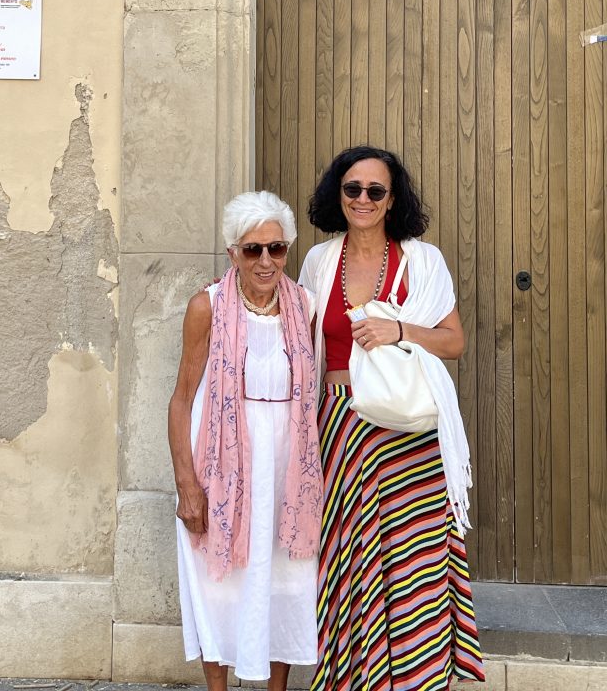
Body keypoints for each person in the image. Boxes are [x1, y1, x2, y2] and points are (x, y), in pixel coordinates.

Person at [299, 147, 485, 691]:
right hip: (339, 426)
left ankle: (417, 679)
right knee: (350, 555)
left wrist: (400, 331)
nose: (363, 199)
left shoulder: (423, 261)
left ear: (392, 199)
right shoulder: (318, 262)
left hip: (408, 435)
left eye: (375, 191)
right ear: (339, 194)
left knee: (413, 560)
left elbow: (454, 341)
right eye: (352, 189)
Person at [168, 191, 322, 691]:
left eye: (275, 249)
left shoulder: (305, 305)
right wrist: (187, 485)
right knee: (222, 589)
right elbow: (182, 400)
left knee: (287, 584)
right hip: (220, 470)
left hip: (287, 472)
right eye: (252, 249)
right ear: (232, 252)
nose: (264, 261)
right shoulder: (206, 306)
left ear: (287, 251)